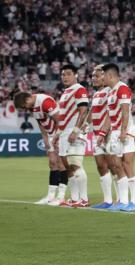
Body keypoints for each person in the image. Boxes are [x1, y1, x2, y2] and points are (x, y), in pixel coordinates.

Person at [13, 92, 65, 205]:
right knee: (52, 163)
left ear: (27, 99)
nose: (25, 109)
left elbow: (59, 120)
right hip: (50, 135)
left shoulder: (45, 102)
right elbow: (41, 123)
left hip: (60, 133)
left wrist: (57, 137)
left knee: (61, 164)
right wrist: (45, 138)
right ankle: (50, 196)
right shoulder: (32, 107)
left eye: (24, 106)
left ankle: (61, 196)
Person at [102, 63, 135, 212]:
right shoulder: (111, 92)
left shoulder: (122, 88)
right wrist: (103, 133)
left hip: (126, 132)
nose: (102, 78)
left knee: (127, 164)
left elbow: (125, 111)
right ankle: (123, 201)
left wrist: (124, 131)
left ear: (110, 75)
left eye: (104, 75)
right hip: (115, 133)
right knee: (117, 166)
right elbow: (110, 115)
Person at [56, 64, 91, 207]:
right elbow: (63, 116)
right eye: (63, 74)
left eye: (68, 74)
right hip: (64, 133)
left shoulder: (79, 89)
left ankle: (84, 199)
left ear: (75, 75)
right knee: (68, 167)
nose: (65, 77)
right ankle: (75, 198)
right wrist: (57, 134)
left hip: (74, 132)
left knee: (76, 164)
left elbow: (83, 111)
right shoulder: (65, 92)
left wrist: (76, 130)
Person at [88, 64, 115, 209]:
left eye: (96, 76)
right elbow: (92, 112)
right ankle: (107, 200)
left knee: (113, 166)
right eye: (93, 76)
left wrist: (105, 133)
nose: (94, 78)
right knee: (101, 166)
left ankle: (120, 199)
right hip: (96, 134)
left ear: (104, 76)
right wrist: (85, 126)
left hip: (108, 134)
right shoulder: (96, 94)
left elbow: (111, 113)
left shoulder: (110, 91)